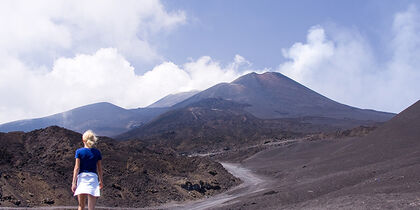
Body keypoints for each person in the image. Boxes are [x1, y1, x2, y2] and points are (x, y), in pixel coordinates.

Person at [71, 130, 103, 210]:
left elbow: (76, 168)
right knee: (91, 208)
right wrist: (101, 181)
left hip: (82, 179)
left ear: (83, 140)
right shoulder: (97, 152)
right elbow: (99, 169)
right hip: (93, 179)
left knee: (81, 206)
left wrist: (74, 182)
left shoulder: (79, 152)